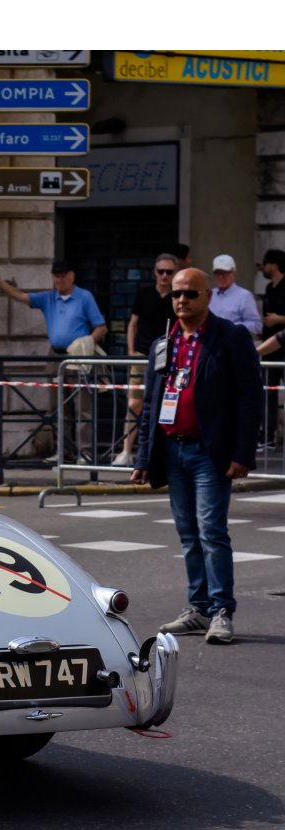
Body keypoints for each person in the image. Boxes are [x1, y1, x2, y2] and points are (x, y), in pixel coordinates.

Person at [131, 267, 263, 645]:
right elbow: (154, 403)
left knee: (211, 531)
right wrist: (143, 458)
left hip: (210, 451)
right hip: (173, 449)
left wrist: (242, 453)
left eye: (190, 294)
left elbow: (250, 399)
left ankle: (222, 611)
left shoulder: (230, 338)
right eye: (176, 295)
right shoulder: (164, 342)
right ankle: (198, 608)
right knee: (188, 534)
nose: (182, 301)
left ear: (207, 296)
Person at [0, 259, 107, 462]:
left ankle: (85, 451)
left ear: (72, 276)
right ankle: (63, 450)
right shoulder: (49, 298)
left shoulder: (84, 297)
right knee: (56, 406)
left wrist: (87, 341)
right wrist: (0, 283)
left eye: (63, 276)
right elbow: (21, 297)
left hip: (77, 356)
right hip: (54, 355)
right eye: (56, 276)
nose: (59, 280)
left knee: (82, 406)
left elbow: (101, 326)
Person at [116, 253, 179, 466]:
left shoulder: (178, 297)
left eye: (169, 272)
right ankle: (126, 451)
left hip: (168, 355)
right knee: (134, 402)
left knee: (165, 404)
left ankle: (158, 451)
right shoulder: (144, 294)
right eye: (160, 271)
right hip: (142, 355)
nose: (164, 276)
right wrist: (132, 350)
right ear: (154, 272)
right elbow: (133, 323)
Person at [258, 249, 285, 450]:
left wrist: (279, 319)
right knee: (268, 394)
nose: (263, 268)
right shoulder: (269, 288)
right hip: (270, 348)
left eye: (265, 264)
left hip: (282, 347)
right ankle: (268, 436)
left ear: (274, 265)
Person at [209, 254, 262, 336]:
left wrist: (233, 327)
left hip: (234, 344)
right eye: (217, 274)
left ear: (233, 273)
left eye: (224, 273)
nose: (220, 277)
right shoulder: (210, 295)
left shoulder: (244, 296)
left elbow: (257, 326)